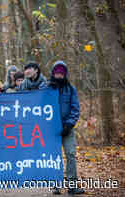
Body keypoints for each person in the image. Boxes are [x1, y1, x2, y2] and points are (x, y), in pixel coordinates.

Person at [48, 61, 85, 195]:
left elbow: (75, 108)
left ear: (65, 74)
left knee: (70, 154)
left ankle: (72, 185)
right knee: (53, 156)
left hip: (67, 128)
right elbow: (39, 107)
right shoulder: (47, 88)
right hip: (51, 130)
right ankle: (55, 185)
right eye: (56, 72)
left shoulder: (70, 89)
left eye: (61, 72)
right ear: (53, 73)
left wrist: (69, 124)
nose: (59, 74)